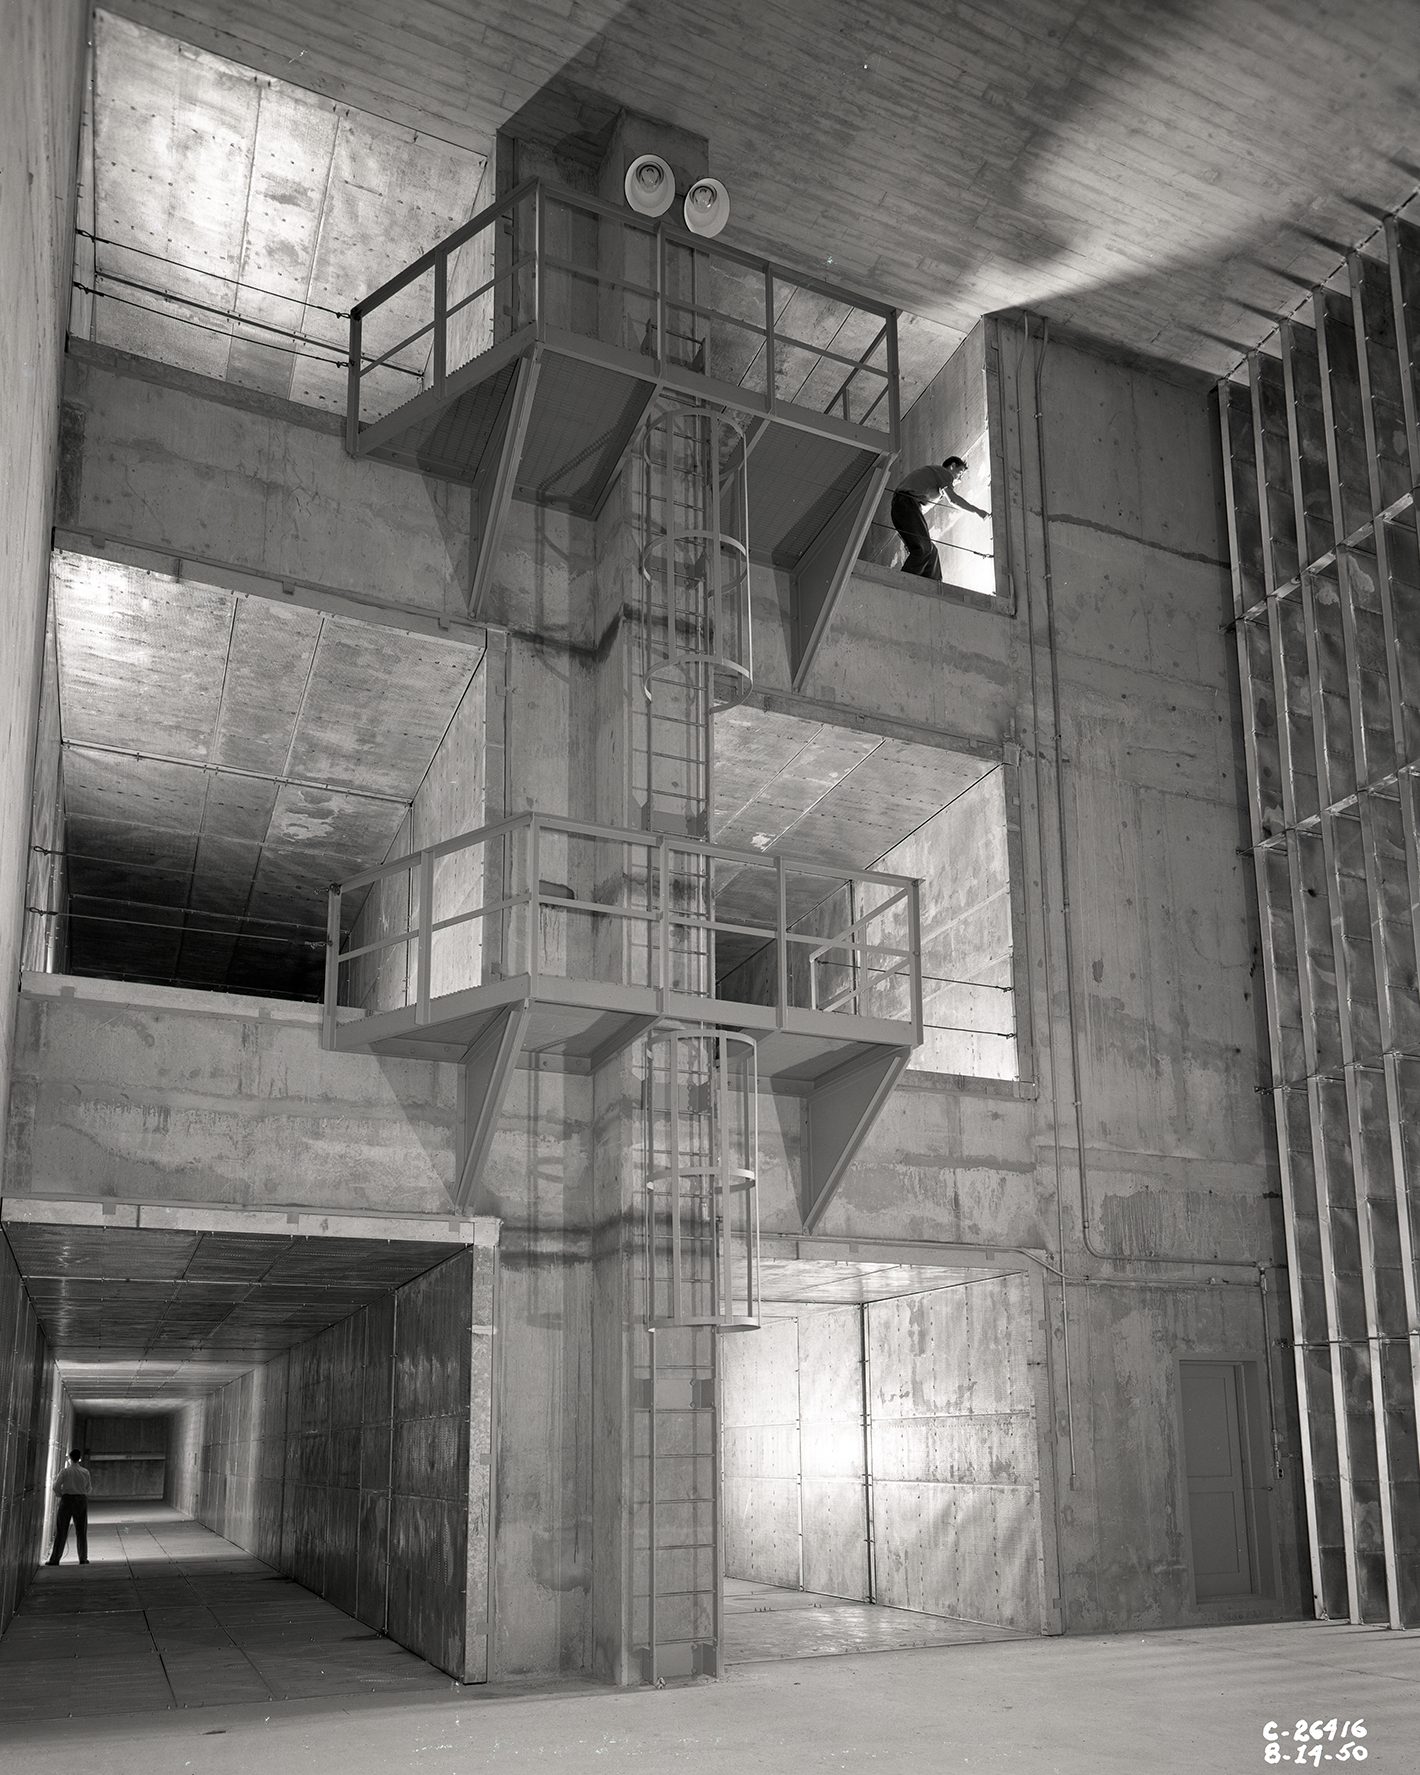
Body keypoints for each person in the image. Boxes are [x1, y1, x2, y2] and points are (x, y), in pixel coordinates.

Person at [890, 455, 989, 579]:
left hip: (904, 508)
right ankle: (903, 583)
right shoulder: (944, 473)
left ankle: (934, 587)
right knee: (923, 549)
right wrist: (977, 511)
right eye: (960, 472)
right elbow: (953, 499)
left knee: (931, 551)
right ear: (952, 466)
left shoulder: (933, 482)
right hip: (906, 504)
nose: (960, 478)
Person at [47, 1448, 91, 1565]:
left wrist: (61, 1495)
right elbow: (88, 1488)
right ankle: (83, 1558)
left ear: (69, 1458)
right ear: (79, 1458)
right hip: (81, 1500)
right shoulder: (85, 1472)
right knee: (81, 1530)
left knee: (61, 1530)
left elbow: (56, 1487)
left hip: (67, 1500)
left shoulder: (65, 1472)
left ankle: (55, 1559)